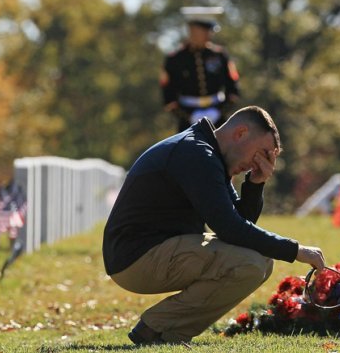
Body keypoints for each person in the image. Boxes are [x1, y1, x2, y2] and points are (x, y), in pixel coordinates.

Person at [102, 106, 326, 345]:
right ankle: (158, 326)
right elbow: (229, 228)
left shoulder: (206, 152)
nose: (257, 164)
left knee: (257, 260)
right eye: (261, 154)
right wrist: (296, 250)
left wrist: (255, 184)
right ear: (240, 133)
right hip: (136, 258)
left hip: (142, 254)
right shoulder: (196, 153)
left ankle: (166, 333)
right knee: (250, 263)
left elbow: (238, 225)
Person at [160, 6, 241, 132]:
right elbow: (169, 99)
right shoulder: (175, 59)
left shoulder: (220, 55)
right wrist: (189, 116)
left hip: (218, 120)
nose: (210, 35)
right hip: (188, 123)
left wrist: (219, 112)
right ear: (193, 30)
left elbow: (233, 91)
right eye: (205, 30)